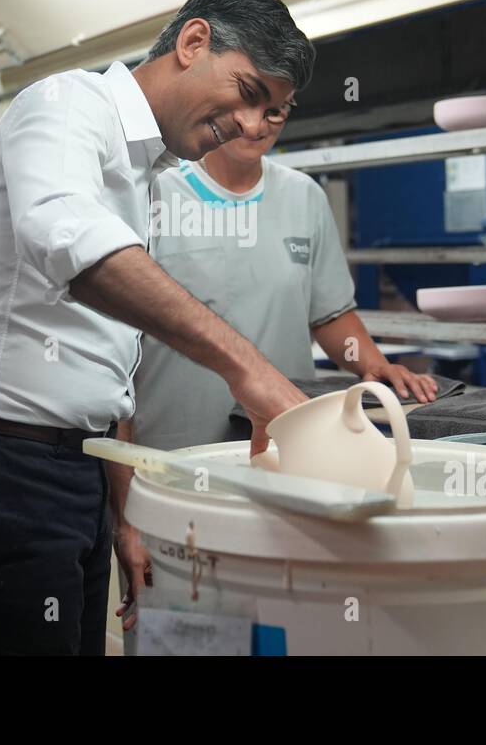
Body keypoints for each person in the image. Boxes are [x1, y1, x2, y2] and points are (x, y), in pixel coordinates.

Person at [0, 0, 315, 655]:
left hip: (72, 473)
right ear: (192, 43)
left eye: (271, 111)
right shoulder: (67, 107)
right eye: (246, 91)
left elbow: (108, 370)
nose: (249, 124)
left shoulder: (142, 171)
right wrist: (248, 369)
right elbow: (70, 245)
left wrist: (122, 518)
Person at [111, 98, 439, 633]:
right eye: (248, 104)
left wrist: (373, 364)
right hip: (170, 475)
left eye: (278, 111)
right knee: (183, 638)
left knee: (281, 629)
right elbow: (116, 363)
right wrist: (127, 516)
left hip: (279, 473)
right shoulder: (154, 195)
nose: (259, 125)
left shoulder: (303, 197)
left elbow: (330, 313)